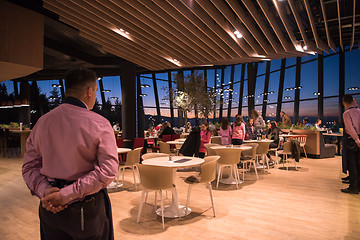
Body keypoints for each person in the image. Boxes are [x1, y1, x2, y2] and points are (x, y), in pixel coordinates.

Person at [22, 68, 119, 239]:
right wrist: (66, 195)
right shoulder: (100, 124)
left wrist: (46, 191)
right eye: (96, 91)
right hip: (86, 210)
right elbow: (108, 171)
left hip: (49, 208)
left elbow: (29, 167)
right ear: (90, 92)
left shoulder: (42, 123)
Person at [341, 94, 360, 194]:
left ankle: (353, 187)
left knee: (351, 164)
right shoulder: (359, 111)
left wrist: (356, 140)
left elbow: (350, 128)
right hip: (358, 138)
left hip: (352, 141)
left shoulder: (346, 113)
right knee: (358, 163)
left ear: (344, 103)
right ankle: (358, 185)